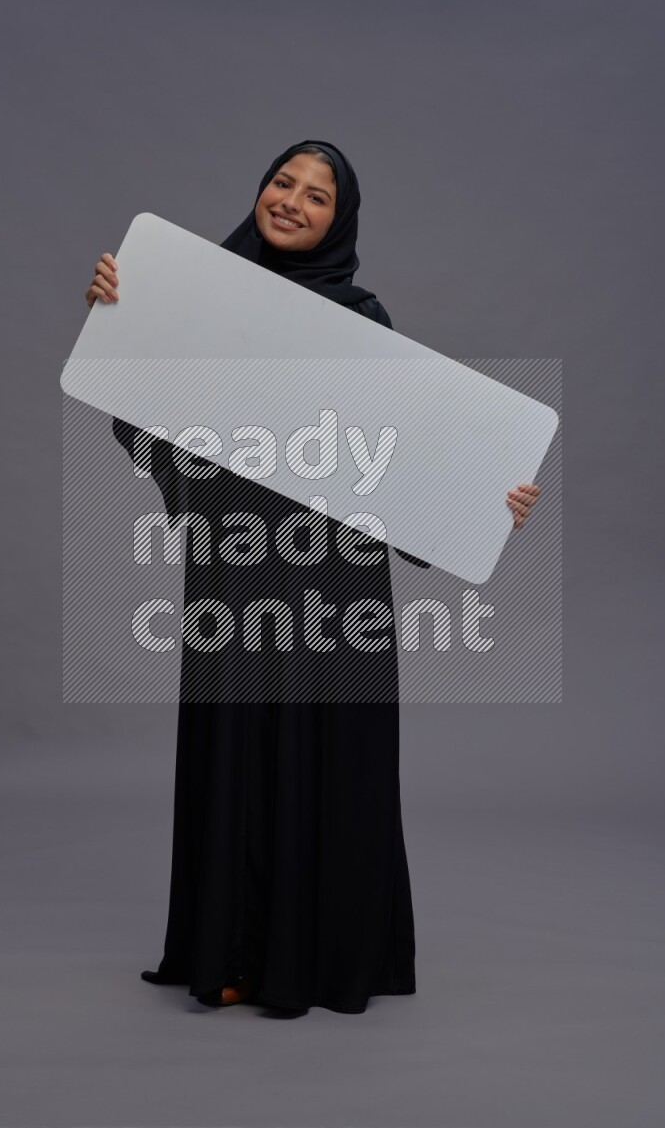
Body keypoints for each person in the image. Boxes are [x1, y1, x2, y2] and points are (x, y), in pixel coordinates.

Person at [85, 140, 541, 1014]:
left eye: (318, 194)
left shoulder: (358, 318)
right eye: (282, 182)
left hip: (332, 580)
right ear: (259, 190)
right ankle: (229, 952)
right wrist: (120, 324)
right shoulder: (195, 298)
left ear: (342, 220)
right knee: (237, 749)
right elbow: (149, 422)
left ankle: (317, 957)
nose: (293, 200)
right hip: (235, 568)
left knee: (320, 747)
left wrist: (489, 501)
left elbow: (409, 454)